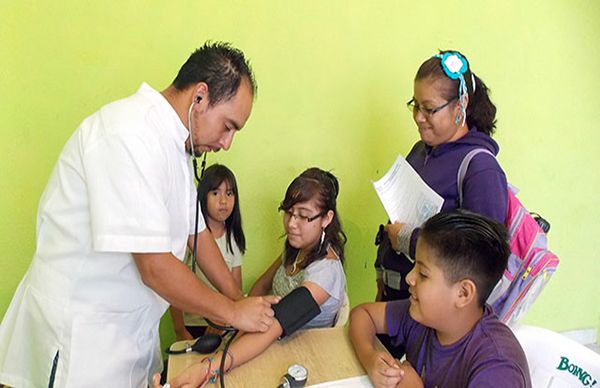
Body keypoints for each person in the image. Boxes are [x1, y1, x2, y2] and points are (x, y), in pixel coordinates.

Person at [0, 42, 278, 388]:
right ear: (200, 97)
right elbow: (155, 266)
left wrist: (240, 300)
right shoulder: (128, 134)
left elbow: (197, 235)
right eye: (228, 126)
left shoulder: (174, 145)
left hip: (126, 331)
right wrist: (232, 312)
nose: (227, 143)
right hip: (84, 337)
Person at [153, 167, 347, 387]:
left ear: (326, 218)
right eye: (289, 212)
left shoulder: (326, 273)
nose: (292, 223)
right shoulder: (297, 248)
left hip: (303, 356)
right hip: (271, 343)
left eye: (303, 216)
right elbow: (262, 285)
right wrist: (237, 325)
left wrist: (208, 367)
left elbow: (277, 322)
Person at [376, 49, 507, 303]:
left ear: (461, 106)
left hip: (433, 317)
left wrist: (409, 240)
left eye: (429, 109)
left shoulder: (480, 169)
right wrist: (382, 272)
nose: (418, 117)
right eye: (415, 105)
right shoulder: (420, 150)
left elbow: (482, 258)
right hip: (396, 299)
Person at [352, 210, 531, 388]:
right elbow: (363, 314)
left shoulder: (498, 370)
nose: (409, 278)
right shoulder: (424, 316)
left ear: (463, 293)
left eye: (423, 274)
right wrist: (370, 358)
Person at [170, 164, 246, 340]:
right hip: (193, 326)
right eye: (215, 193)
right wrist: (179, 330)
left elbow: (235, 290)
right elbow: (172, 288)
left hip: (223, 324)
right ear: (202, 196)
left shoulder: (232, 239)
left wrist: (227, 320)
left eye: (229, 193)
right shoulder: (189, 238)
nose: (223, 201)